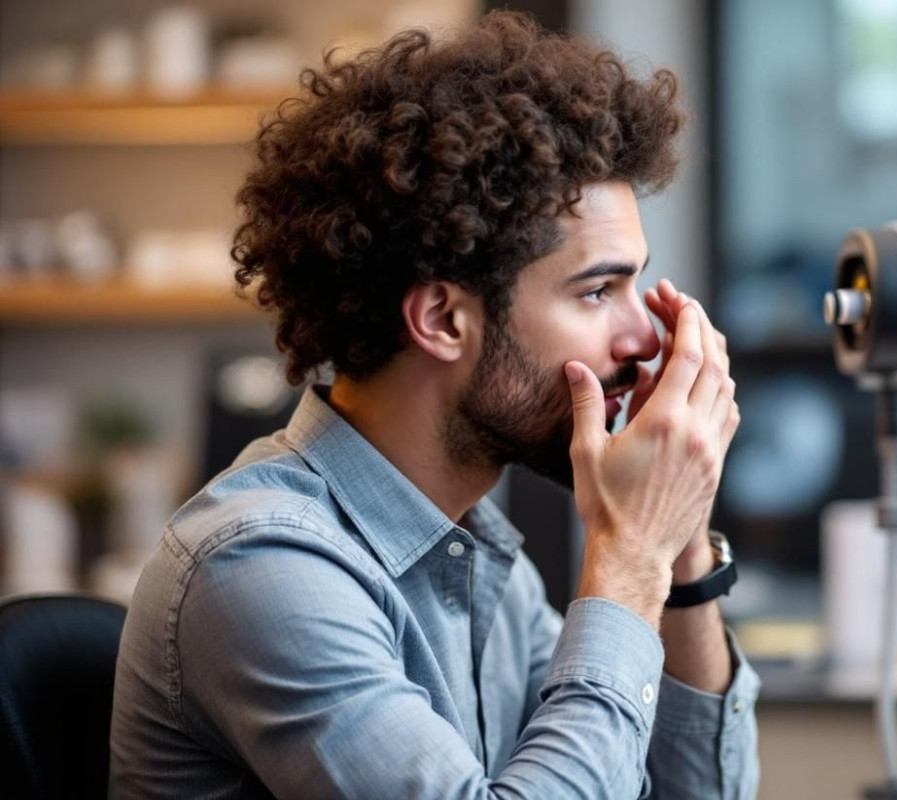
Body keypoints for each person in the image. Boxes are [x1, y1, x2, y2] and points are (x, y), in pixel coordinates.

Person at [109, 12, 759, 798]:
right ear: (445, 320)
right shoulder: (258, 569)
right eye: (598, 292)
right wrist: (629, 561)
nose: (644, 338)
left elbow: (691, 792)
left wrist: (679, 545)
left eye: (636, 285)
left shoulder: (475, 557)